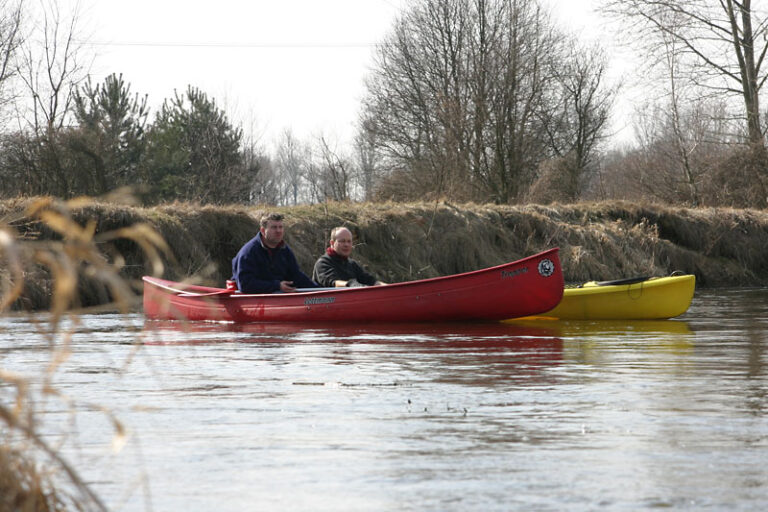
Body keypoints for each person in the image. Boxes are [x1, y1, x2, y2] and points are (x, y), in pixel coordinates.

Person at [231, 212, 318, 293]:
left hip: (277, 297)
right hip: (253, 300)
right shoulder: (249, 252)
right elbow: (245, 284)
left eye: (280, 227)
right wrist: (277, 286)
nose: (278, 231)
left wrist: (318, 290)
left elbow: (296, 276)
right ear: (263, 230)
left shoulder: (285, 250)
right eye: (274, 227)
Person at [313, 226, 387, 287]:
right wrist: (351, 284)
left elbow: (372, 282)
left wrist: (390, 288)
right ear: (332, 243)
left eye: (349, 241)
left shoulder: (352, 264)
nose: (346, 245)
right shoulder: (323, 263)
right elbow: (333, 283)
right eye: (342, 241)